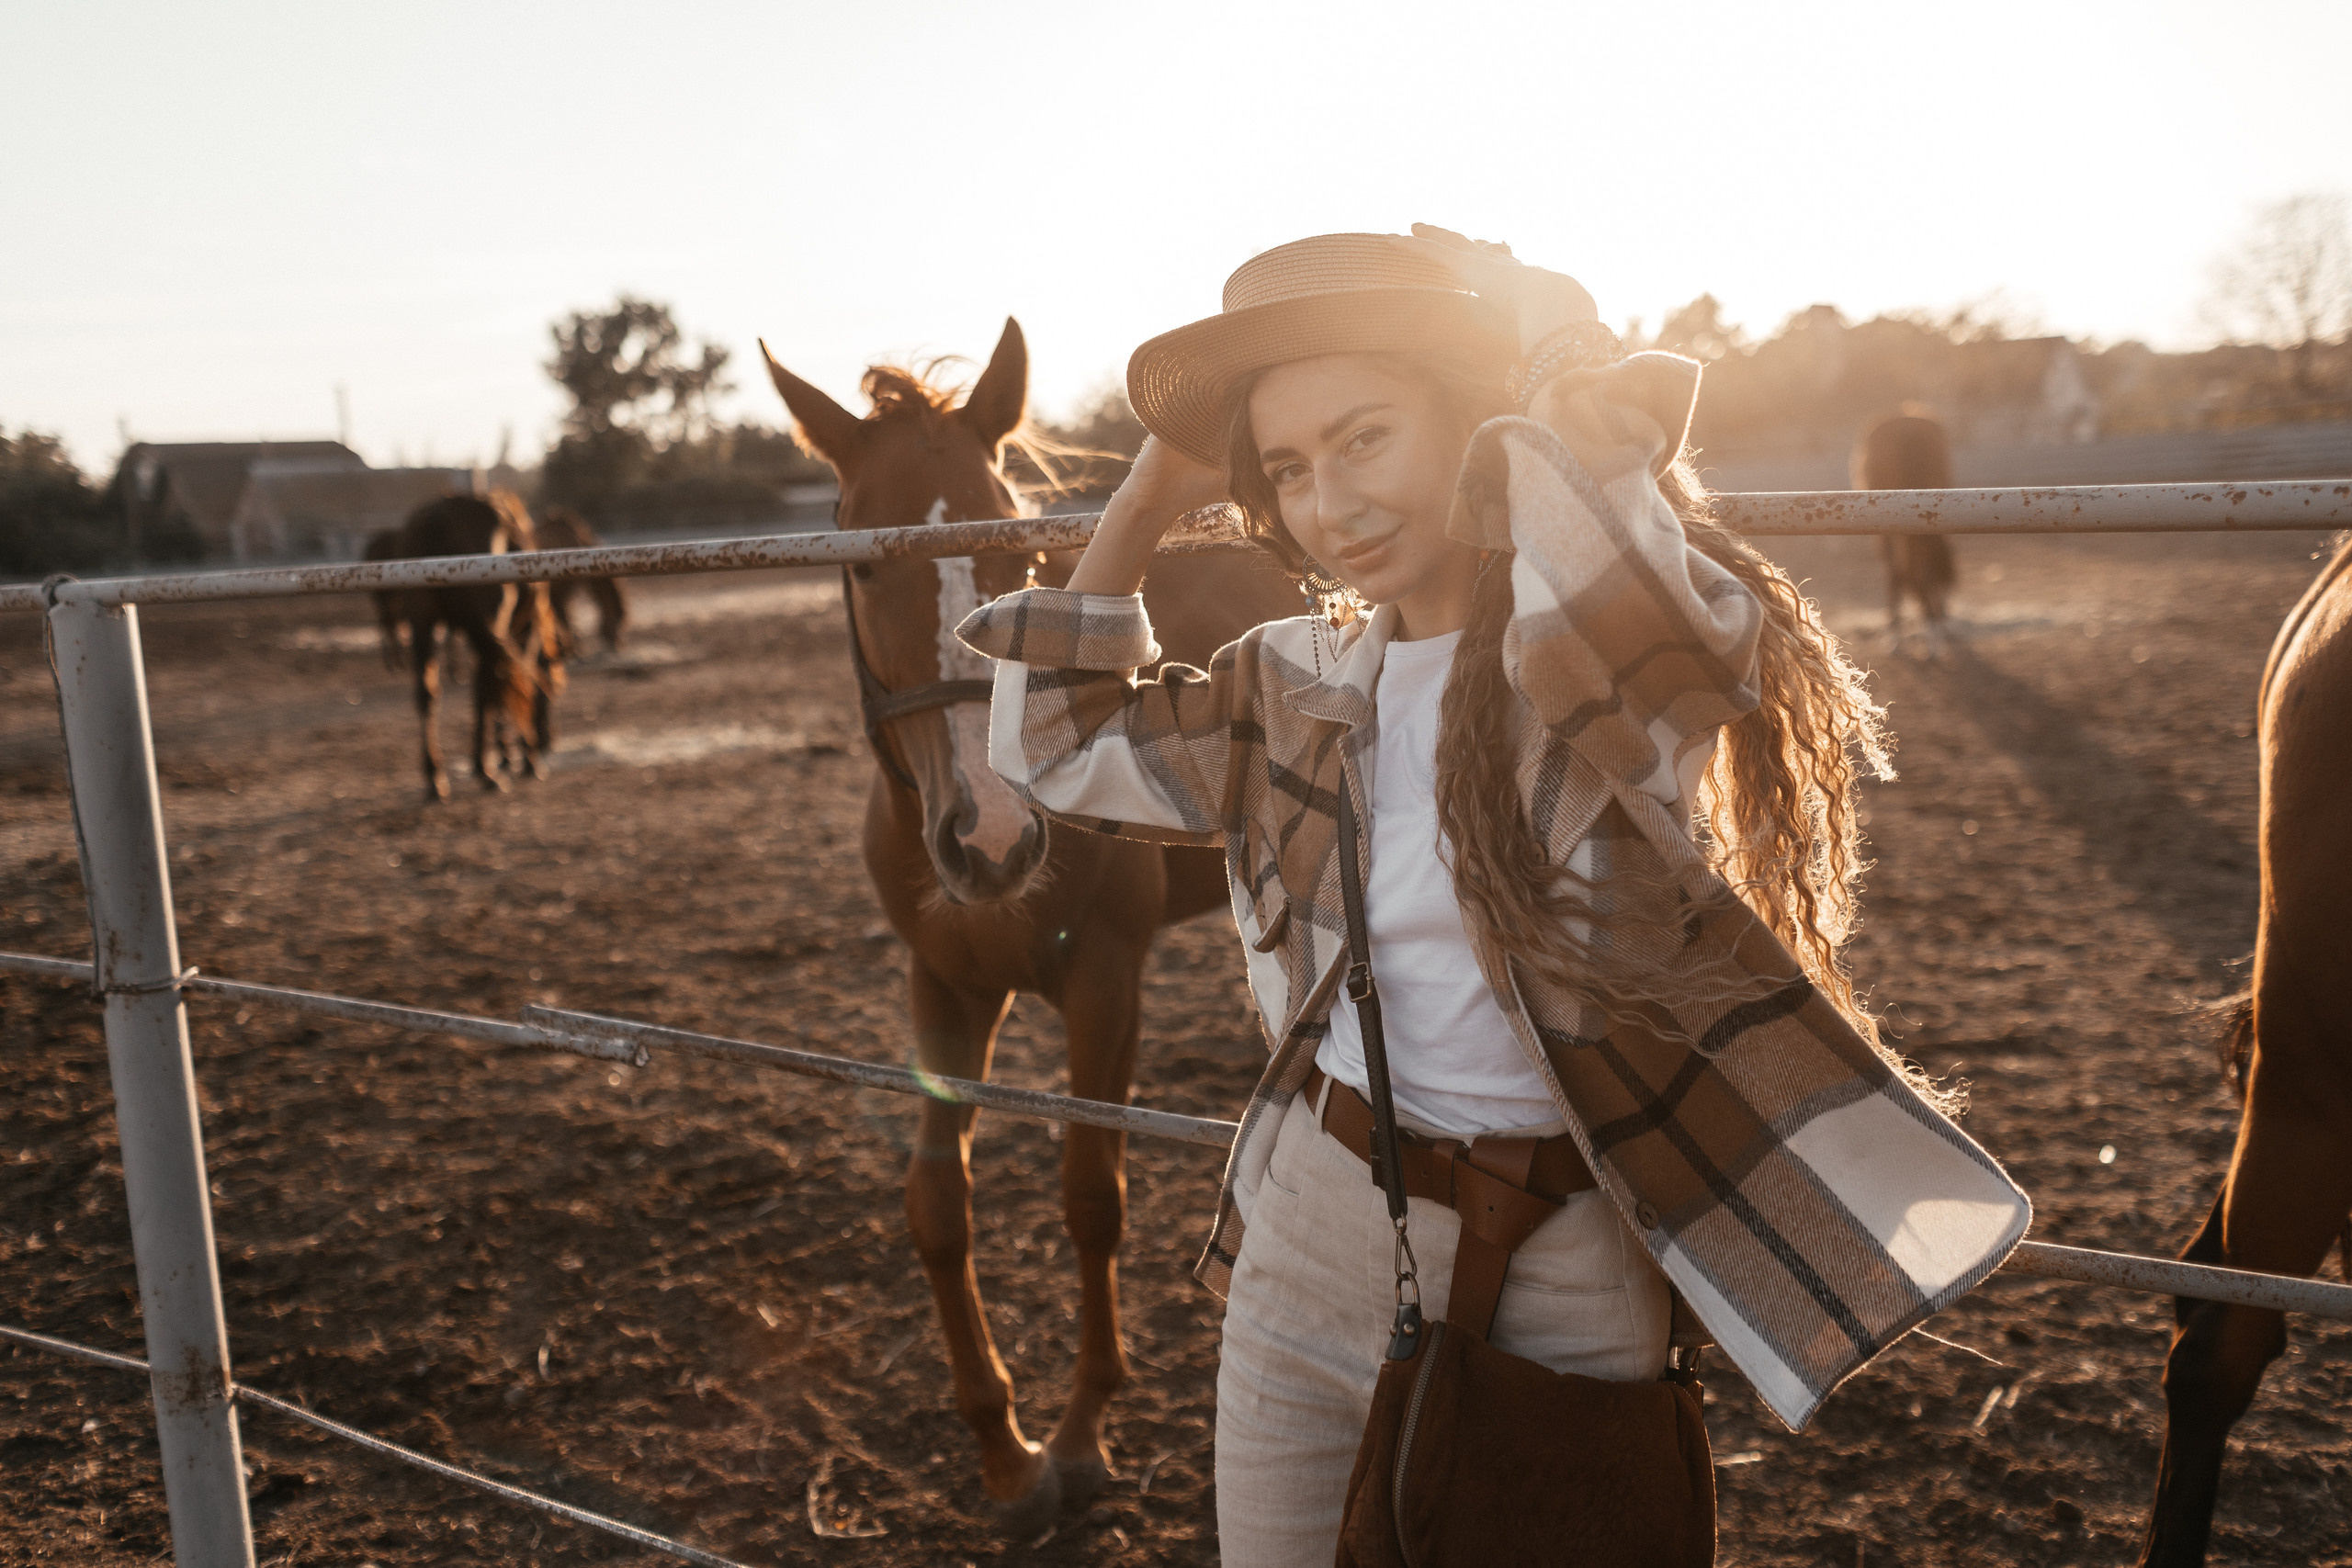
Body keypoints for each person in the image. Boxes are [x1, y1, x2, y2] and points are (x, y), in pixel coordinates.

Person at [956, 229, 2027, 1565]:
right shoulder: (1291, 680)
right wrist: (1147, 494)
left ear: (1470, 425)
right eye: (1287, 469)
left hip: (1566, 1262)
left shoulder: (1579, 662)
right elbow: (1052, 745)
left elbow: (1651, 614)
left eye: (1365, 438)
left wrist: (1558, 352)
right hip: (1312, 1228)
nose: (1331, 504)